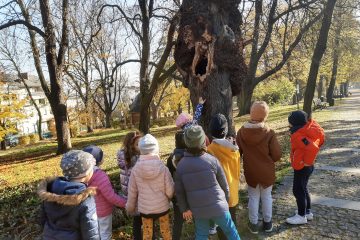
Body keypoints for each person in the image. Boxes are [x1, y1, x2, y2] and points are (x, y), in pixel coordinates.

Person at [175, 125, 241, 240]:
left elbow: (179, 191)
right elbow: (224, 184)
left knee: (201, 235)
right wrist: (224, 200)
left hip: (198, 210)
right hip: (218, 206)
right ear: (203, 141)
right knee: (231, 231)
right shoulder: (212, 160)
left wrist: (185, 209)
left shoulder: (181, 166)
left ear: (186, 142)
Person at [236, 101, 282, 234]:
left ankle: (254, 224)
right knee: (267, 197)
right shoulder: (269, 132)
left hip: (251, 171)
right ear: (265, 116)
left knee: (253, 198)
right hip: (267, 171)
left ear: (251, 114)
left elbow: (238, 153)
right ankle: (268, 223)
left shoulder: (241, 132)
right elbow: (277, 154)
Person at [37, 150, 99, 240]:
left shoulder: (49, 190)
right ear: (86, 173)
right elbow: (90, 230)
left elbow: (42, 219)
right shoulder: (85, 198)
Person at [126, 134, 174, 240]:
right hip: (162, 207)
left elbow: (132, 192)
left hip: (145, 209)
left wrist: (130, 207)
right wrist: (169, 198)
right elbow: (170, 191)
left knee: (147, 234)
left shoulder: (135, 169)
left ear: (141, 150)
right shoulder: (163, 168)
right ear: (156, 149)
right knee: (166, 232)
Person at [286, 110, 325, 225]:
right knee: (303, 188)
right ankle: (307, 212)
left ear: (294, 123)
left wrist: (306, 162)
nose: (289, 125)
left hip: (302, 167)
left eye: (290, 123)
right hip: (306, 166)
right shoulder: (306, 129)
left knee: (297, 190)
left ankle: (301, 216)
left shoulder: (299, 135)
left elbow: (312, 148)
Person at [207, 113, 241, 238]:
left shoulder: (210, 150)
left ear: (211, 131)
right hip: (232, 189)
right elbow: (237, 171)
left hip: (219, 193)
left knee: (222, 223)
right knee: (232, 221)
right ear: (226, 131)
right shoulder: (234, 149)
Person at [84, 145, 127, 240]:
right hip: (103, 213)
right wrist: (126, 203)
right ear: (98, 160)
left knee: (93, 235)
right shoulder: (100, 176)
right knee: (105, 235)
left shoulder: (81, 177)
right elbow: (111, 196)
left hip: (88, 212)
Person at [117, 131, 143, 239]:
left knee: (137, 219)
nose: (140, 146)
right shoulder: (136, 157)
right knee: (142, 218)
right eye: (138, 144)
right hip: (138, 192)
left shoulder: (121, 154)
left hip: (128, 192)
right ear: (132, 144)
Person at [166, 132, 187, 240]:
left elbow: (169, 177)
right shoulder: (190, 157)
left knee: (178, 221)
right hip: (191, 192)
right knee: (198, 218)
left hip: (177, 193)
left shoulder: (170, 158)